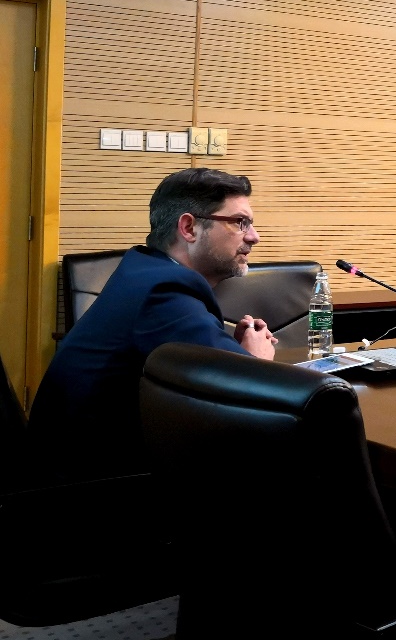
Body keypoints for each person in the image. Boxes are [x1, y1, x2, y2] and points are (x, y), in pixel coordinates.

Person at [28, 168, 278, 482]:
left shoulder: (146, 270)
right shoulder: (164, 292)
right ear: (188, 228)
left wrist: (233, 353)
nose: (254, 236)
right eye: (239, 222)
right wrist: (257, 362)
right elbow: (247, 400)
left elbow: (203, 370)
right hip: (96, 484)